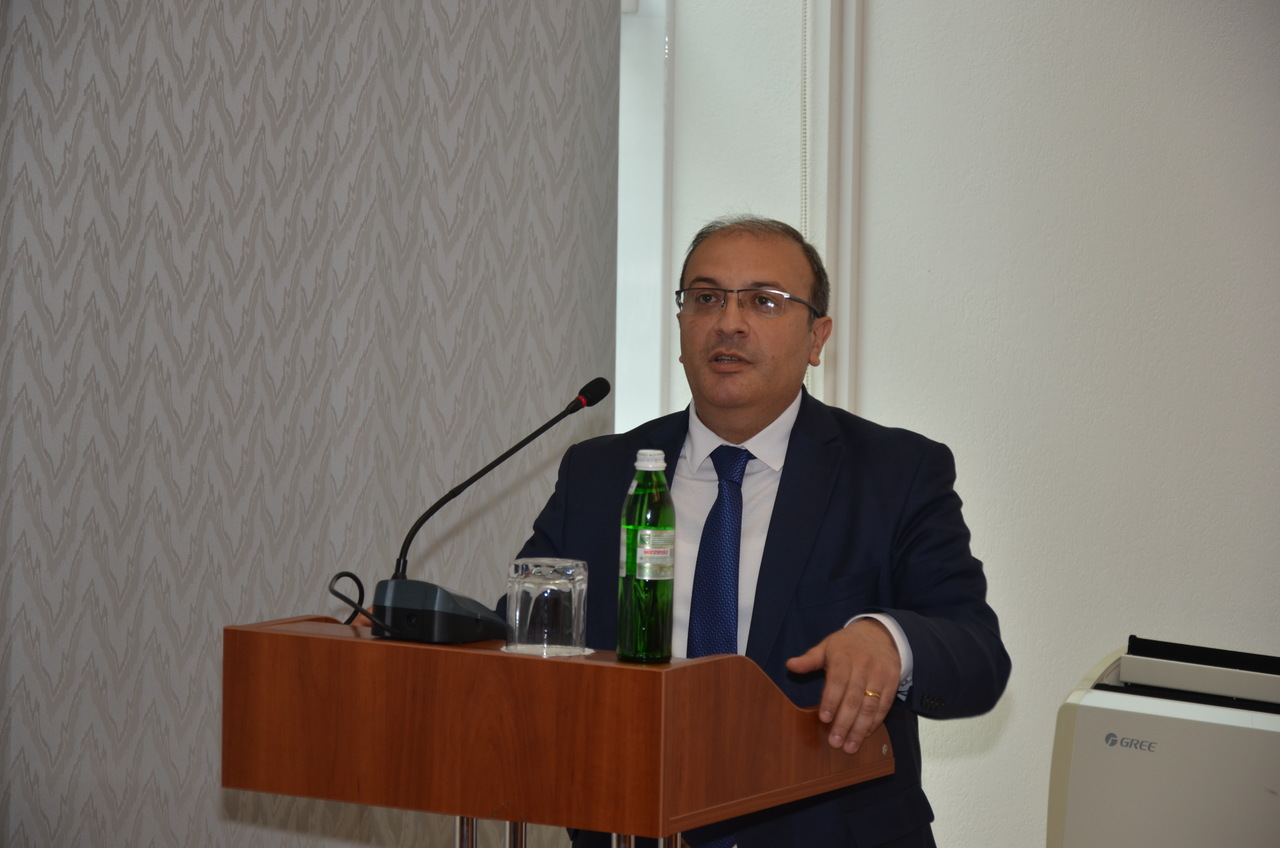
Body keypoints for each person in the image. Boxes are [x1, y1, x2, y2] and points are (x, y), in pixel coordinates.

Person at [517, 216, 1010, 847]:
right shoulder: (600, 473)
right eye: (706, 298)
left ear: (816, 337)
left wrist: (890, 640)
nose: (729, 322)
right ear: (681, 326)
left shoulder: (895, 472)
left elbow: (977, 658)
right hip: (633, 827)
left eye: (763, 301)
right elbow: (524, 631)